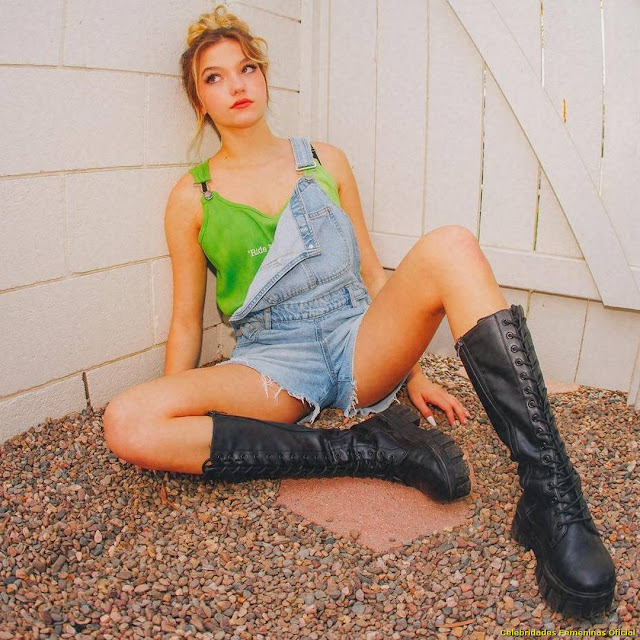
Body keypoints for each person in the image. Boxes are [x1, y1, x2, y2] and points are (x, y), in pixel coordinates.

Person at [102, 5, 615, 617]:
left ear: (264, 77)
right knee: (128, 421)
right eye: (215, 77)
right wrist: (178, 405)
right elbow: (188, 319)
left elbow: (373, 274)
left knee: (452, 244)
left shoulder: (325, 160)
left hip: (356, 336)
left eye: (246, 68)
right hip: (272, 360)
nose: (236, 84)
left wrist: (411, 371)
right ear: (199, 101)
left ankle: (553, 500)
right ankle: (364, 451)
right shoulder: (193, 196)